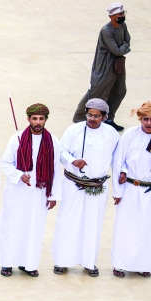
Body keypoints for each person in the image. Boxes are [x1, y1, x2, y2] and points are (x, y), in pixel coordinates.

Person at [0, 103, 61, 277]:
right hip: (17, 192)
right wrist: (19, 175)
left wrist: (53, 196)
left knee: (34, 228)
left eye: (41, 119)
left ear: (45, 120)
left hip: (40, 193)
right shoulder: (17, 138)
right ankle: (7, 263)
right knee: (12, 226)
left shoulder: (53, 141)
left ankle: (29, 264)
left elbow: (56, 169)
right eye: (34, 118)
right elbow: (5, 163)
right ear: (28, 119)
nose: (37, 122)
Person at [51, 98, 120, 276]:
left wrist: (118, 189)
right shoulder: (73, 130)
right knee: (67, 221)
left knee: (93, 224)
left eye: (96, 116)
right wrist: (74, 160)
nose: (92, 119)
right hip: (73, 184)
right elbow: (61, 151)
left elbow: (117, 161)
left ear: (104, 117)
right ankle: (61, 261)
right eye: (89, 115)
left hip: (97, 187)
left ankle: (89, 262)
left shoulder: (112, 134)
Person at [110, 101, 151, 277]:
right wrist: (118, 191)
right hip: (130, 187)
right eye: (145, 119)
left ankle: (145, 265)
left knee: (150, 228)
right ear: (140, 119)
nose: (149, 123)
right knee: (126, 227)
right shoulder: (130, 134)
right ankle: (120, 264)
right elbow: (119, 161)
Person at [73, 3, 129, 131]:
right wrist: (124, 47)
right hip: (105, 66)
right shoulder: (106, 30)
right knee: (97, 93)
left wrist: (123, 47)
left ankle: (108, 118)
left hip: (118, 64)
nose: (122, 15)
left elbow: (127, 40)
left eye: (123, 13)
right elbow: (117, 50)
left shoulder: (123, 26)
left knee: (119, 91)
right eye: (120, 14)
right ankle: (80, 119)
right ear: (112, 16)